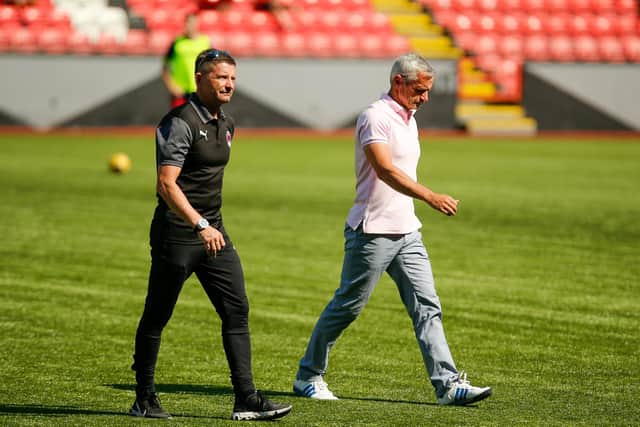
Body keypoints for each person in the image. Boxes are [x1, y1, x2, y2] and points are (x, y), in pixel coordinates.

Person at [292, 53, 492, 406]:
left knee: (427, 306)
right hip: (372, 231)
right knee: (347, 306)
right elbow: (384, 170)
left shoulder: (408, 117)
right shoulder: (375, 117)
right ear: (398, 81)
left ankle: (447, 384)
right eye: (420, 89)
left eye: (428, 90)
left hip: (407, 231)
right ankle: (308, 375)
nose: (425, 97)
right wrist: (430, 196)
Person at [130, 48, 292, 421]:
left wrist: (210, 226)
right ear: (200, 77)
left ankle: (246, 398)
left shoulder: (228, 123)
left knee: (237, 309)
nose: (229, 84)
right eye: (221, 77)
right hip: (179, 234)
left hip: (214, 234)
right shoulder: (179, 122)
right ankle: (144, 397)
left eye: (233, 78)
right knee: (158, 314)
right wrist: (199, 224)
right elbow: (166, 185)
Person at [162, 13, 211, 109]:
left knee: (199, 121)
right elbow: (165, 66)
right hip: (180, 91)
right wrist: (171, 86)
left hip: (199, 90)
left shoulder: (205, 42)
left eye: (192, 23)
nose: (189, 26)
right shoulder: (177, 42)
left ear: (197, 24)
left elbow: (212, 66)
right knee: (177, 121)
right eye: (187, 23)